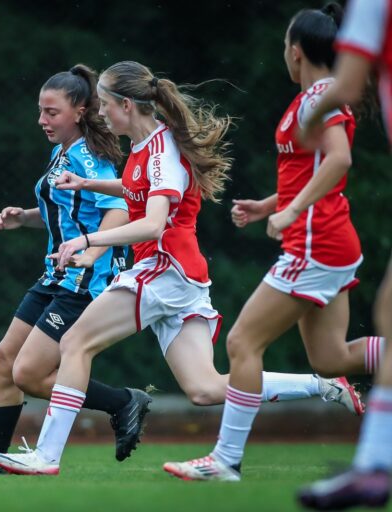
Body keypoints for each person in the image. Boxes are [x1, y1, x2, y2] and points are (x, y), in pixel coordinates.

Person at [0, 60, 363, 477]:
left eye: (106, 104)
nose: (102, 113)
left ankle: (46, 456)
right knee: (205, 388)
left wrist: (89, 240)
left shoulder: (161, 151)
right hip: (183, 277)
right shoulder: (147, 147)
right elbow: (136, 189)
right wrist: (90, 184)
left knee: (76, 342)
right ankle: (324, 385)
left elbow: (152, 222)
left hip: (164, 268)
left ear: (127, 105)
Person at [163, 3, 386, 483]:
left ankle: (224, 461)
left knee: (243, 342)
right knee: (330, 359)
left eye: (286, 44)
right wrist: (270, 205)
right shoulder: (315, 96)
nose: (283, 52)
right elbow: (311, 172)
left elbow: (339, 161)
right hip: (331, 241)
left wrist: (287, 212)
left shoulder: (318, 97)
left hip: (316, 244)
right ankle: (224, 460)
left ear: (297, 49)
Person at [0, 64, 154, 476]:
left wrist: (93, 254)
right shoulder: (61, 151)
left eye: (51, 112)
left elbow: (117, 209)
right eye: (40, 111)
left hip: (84, 279)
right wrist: (24, 217)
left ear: (79, 111)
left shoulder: (89, 156)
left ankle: (121, 402)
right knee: (4, 359)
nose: (42, 120)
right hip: (57, 274)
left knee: (28, 372)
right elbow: (68, 213)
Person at [297, 0, 392, 508]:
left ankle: (376, 466)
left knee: (245, 339)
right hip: (320, 239)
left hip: (320, 241)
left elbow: (348, 84)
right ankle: (375, 466)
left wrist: (305, 118)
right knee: (355, 339)